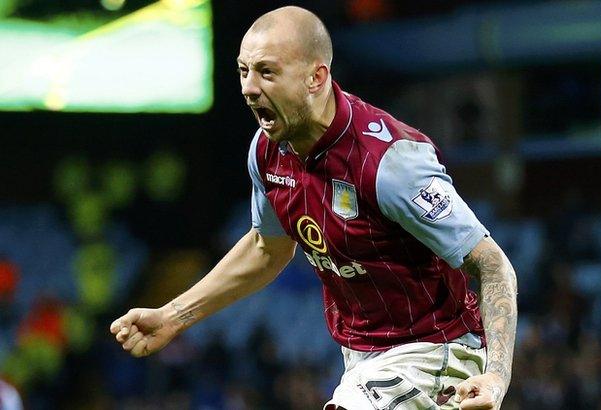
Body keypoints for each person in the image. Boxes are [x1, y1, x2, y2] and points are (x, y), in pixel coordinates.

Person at [110, 6, 517, 409]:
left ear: (315, 78)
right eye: (243, 70)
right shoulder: (268, 152)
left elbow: (492, 263)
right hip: (361, 358)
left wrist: (496, 376)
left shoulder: (389, 163)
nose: (249, 88)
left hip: (436, 353)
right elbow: (266, 249)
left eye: (266, 72)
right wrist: (173, 316)